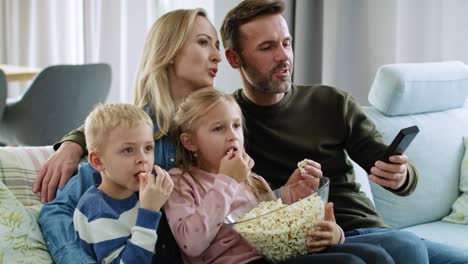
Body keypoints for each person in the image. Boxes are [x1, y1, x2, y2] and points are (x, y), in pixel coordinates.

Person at [219, 0, 468, 263]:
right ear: (234, 58)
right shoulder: (228, 122)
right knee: (406, 247)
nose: (284, 56)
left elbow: (393, 168)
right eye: (267, 47)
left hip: (368, 230)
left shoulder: (332, 102)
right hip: (311, 241)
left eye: (287, 43)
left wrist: (402, 175)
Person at [37, 8, 221, 264]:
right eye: (203, 43)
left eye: (217, 46)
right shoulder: (129, 134)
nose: (217, 56)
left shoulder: (223, 125)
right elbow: (55, 211)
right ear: (168, 52)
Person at [165, 88, 397, 264]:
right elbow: (191, 244)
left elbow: (273, 230)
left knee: (376, 256)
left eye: (236, 126)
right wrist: (227, 180)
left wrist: (291, 195)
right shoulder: (179, 181)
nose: (232, 136)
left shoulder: (252, 180)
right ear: (190, 142)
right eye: (218, 129)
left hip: (275, 259)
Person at [73, 103, 174, 263]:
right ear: (98, 161)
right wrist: (149, 213)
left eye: (148, 148)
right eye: (128, 150)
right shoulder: (96, 211)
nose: (143, 159)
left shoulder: (145, 191)